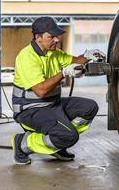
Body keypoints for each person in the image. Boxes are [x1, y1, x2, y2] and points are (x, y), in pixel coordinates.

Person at [11, 16, 105, 165]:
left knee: (90, 107)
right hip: (30, 110)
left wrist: (87, 56)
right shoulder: (27, 57)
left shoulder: (54, 53)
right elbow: (40, 91)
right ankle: (22, 143)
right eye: (51, 36)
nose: (56, 40)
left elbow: (75, 61)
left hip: (53, 105)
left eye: (57, 36)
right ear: (38, 37)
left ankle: (57, 141)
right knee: (69, 136)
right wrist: (64, 73)